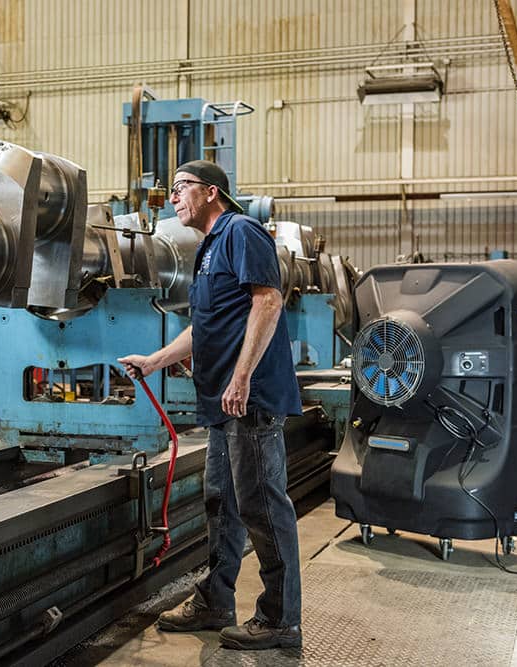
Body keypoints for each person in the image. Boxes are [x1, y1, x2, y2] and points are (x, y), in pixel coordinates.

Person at [118, 160, 303, 651]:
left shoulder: (241, 231)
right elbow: (207, 324)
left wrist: (242, 376)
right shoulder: (209, 248)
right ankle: (216, 600)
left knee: (262, 505)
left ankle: (280, 619)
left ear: (212, 192)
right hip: (224, 403)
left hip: (250, 398)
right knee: (222, 504)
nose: (173, 197)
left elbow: (267, 301)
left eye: (181, 188)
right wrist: (156, 361)